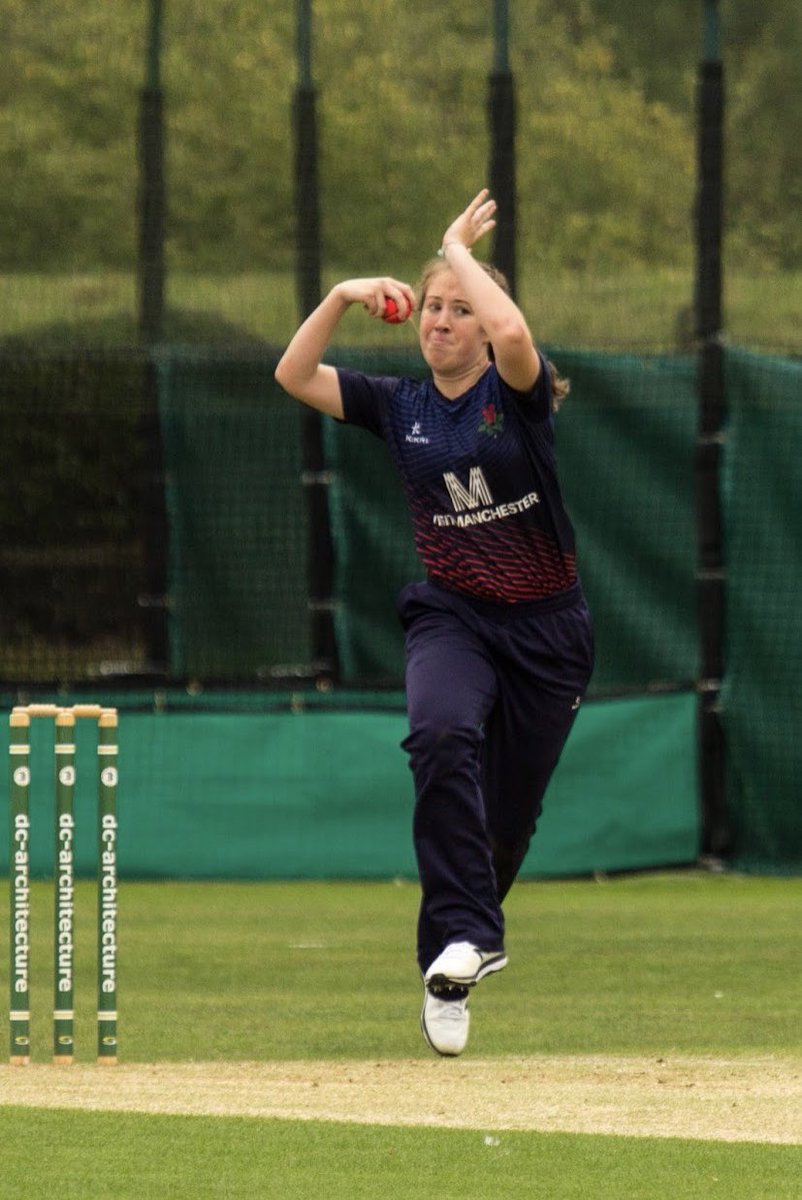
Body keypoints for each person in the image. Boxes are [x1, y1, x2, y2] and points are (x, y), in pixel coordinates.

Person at [275, 189, 594, 1056]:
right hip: (453, 617)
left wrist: (455, 247)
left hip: (547, 634)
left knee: (506, 821)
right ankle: (462, 938)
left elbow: (520, 337)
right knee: (442, 733)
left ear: (484, 327)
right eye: (435, 308)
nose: (442, 321)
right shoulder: (399, 407)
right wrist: (342, 296)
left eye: (461, 309)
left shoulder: (516, 396)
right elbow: (294, 376)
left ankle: (456, 963)